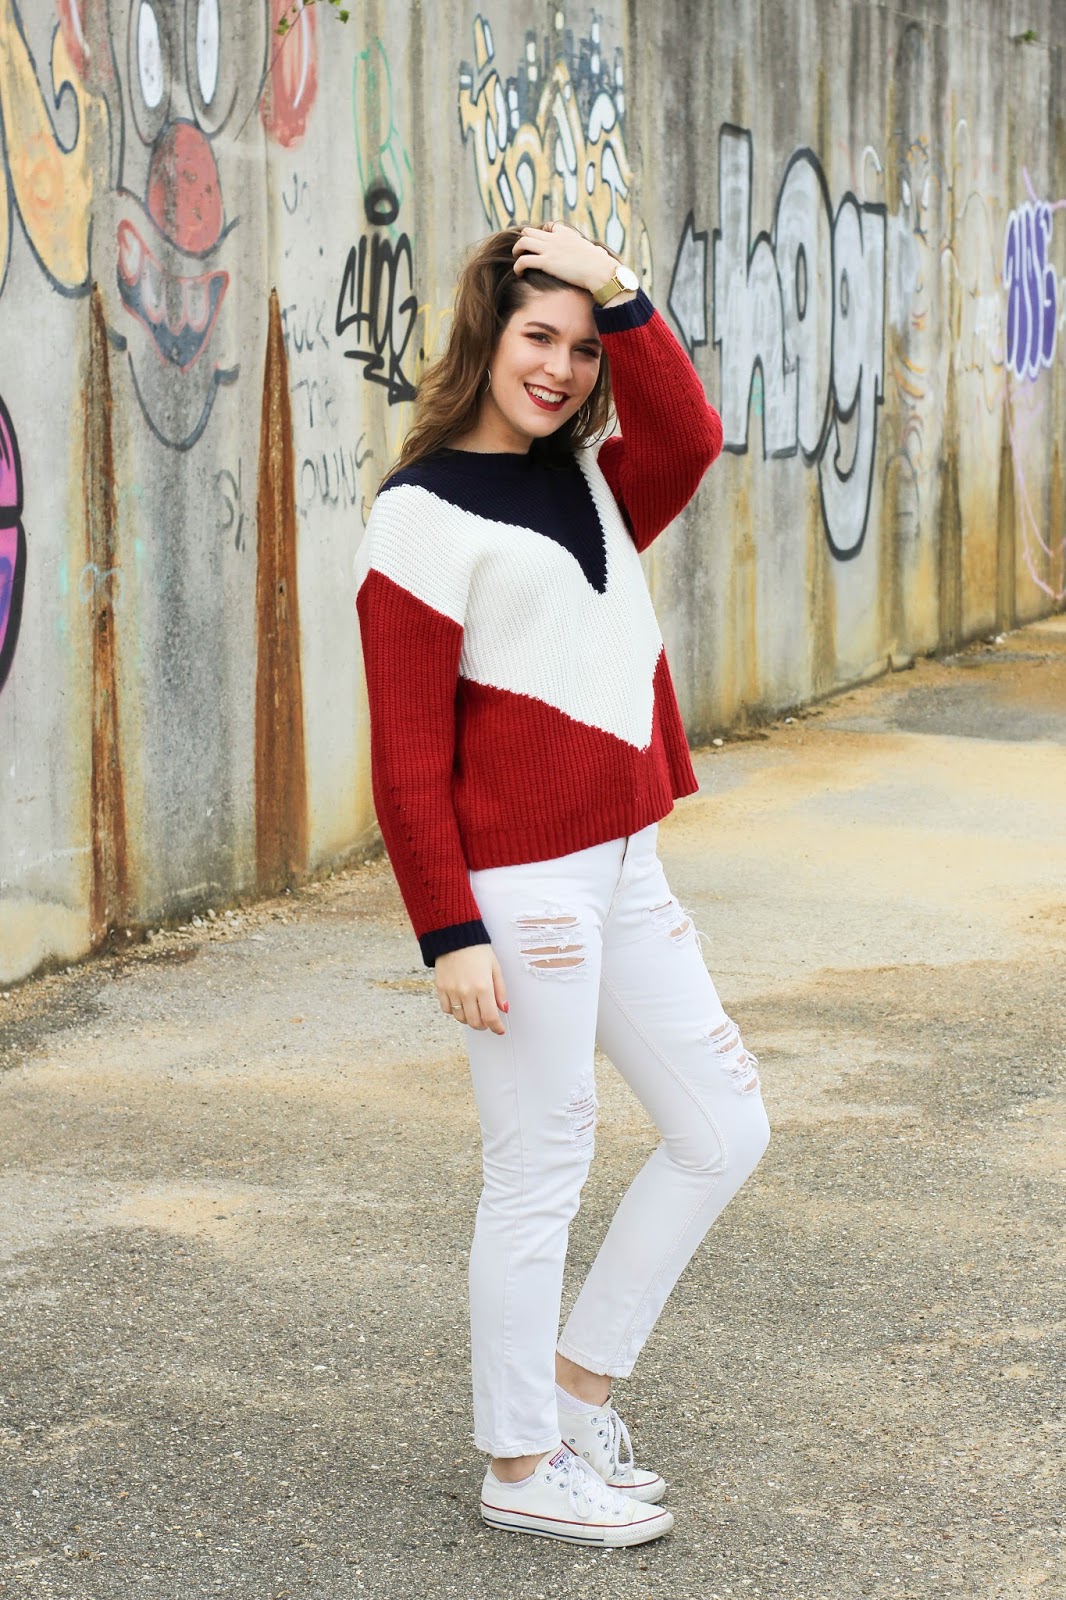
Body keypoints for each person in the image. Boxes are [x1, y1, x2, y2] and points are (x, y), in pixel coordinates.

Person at [355, 221, 770, 1548]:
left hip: (624, 864)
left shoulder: (594, 481)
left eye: (585, 350)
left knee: (723, 1128)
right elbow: (406, 753)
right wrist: (449, 933)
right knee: (540, 1163)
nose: (561, 368)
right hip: (518, 886)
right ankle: (520, 1465)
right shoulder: (418, 516)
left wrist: (615, 283)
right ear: (486, 337)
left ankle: (573, 1393)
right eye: (538, 336)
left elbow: (689, 433)